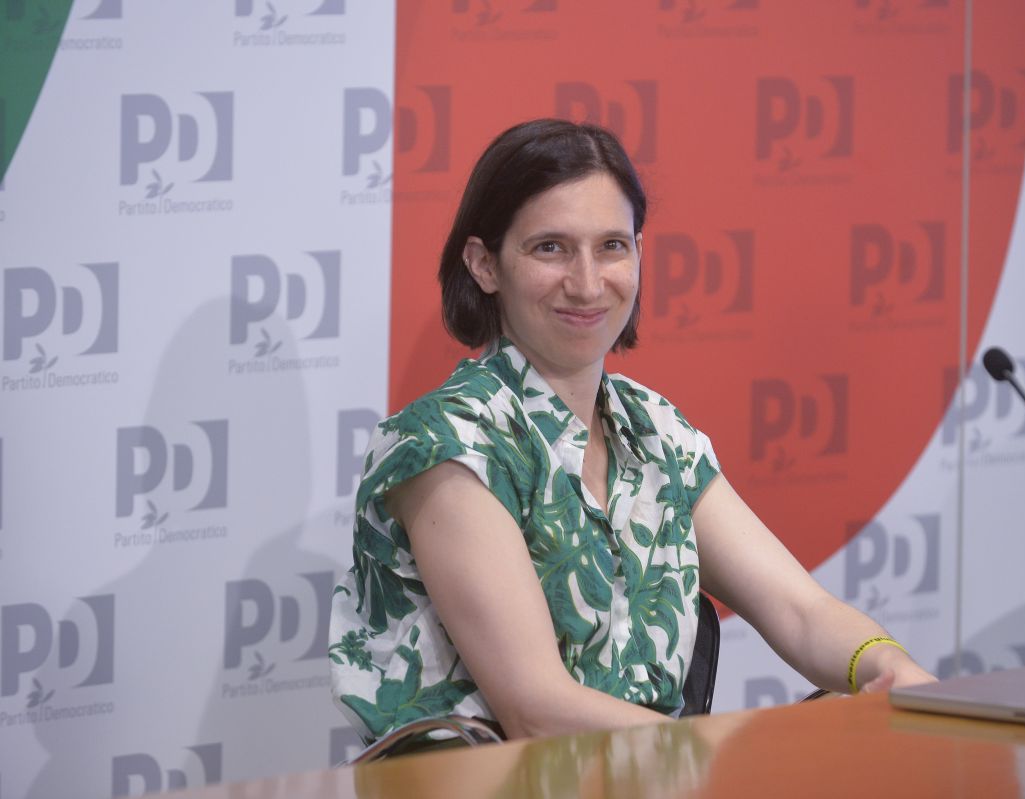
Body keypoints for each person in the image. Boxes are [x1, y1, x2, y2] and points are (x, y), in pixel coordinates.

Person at [328, 118, 934, 744]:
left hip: (660, 772)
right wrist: (736, 755)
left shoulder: (655, 431)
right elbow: (536, 709)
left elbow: (800, 611)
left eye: (612, 246)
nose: (588, 283)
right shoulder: (445, 443)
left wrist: (890, 668)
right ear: (485, 264)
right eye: (550, 248)